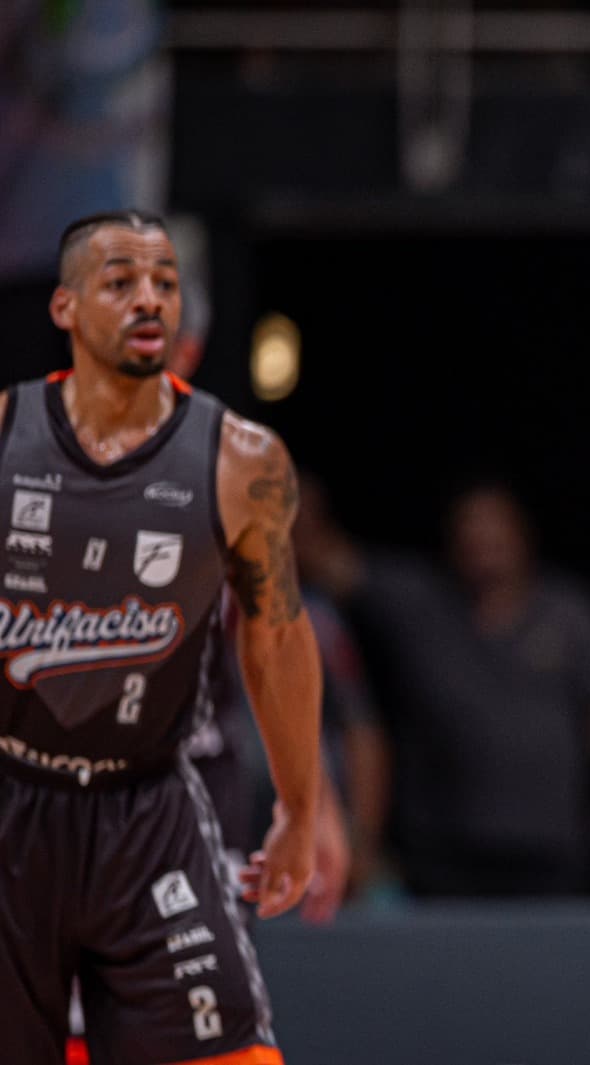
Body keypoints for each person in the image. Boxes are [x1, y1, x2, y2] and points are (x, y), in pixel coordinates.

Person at [0, 209, 321, 1064]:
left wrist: (300, 808)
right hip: (13, 796)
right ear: (66, 307)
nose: (149, 299)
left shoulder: (243, 460)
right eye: (121, 282)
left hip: (148, 807)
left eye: (165, 284)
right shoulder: (4, 435)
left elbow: (278, 643)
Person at [298, 480, 590, 897]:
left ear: (523, 536)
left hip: (551, 842)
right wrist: (284, 501)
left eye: (495, 531)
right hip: (443, 846)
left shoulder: (571, 614)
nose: (483, 542)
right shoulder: (419, 604)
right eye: (471, 530)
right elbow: (330, 562)